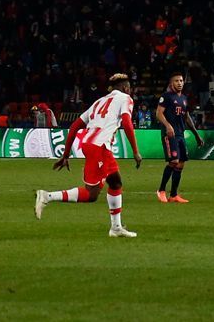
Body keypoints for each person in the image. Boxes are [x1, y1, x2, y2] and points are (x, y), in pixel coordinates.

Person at [33, 73, 142, 238]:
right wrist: (135, 150)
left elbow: (75, 125)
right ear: (126, 88)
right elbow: (127, 122)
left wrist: (66, 154)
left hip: (92, 145)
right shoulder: (126, 99)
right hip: (99, 147)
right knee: (91, 194)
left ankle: (116, 228)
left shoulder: (98, 102)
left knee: (115, 182)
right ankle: (47, 196)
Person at [155, 73, 203, 203]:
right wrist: (167, 126)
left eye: (181, 80)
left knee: (181, 163)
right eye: (176, 81)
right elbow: (158, 114)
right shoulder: (166, 97)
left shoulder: (184, 99)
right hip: (170, 134)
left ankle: (174, 195)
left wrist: (196, 135)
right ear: (171, 83)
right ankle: (161, 190)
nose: (179, 83)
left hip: (181, 134)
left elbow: (187, 117)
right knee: (174, 161)